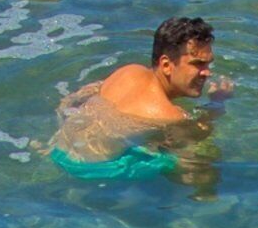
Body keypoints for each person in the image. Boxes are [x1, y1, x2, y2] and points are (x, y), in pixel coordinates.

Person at [50, 15, 218, 180]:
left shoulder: (129, 71)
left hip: (58, 151)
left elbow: (76, 98)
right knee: (199, 168)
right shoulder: (171, 115)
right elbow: (193, 155)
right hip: (91, 170)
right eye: (198, 64)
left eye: (208, 63)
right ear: (166, 65)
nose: (207, 72)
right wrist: (218, 104)